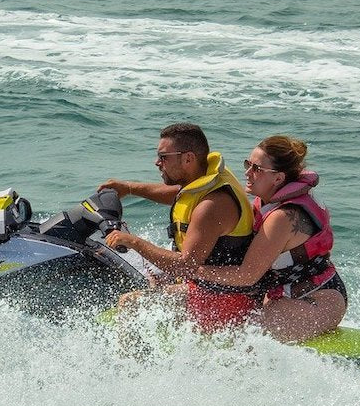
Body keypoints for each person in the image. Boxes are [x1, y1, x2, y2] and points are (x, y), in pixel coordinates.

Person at [107, 134, 346, 343]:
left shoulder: (283, 218)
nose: (247, 173)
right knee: (136, 303)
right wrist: (129, 188)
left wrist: (189, 269)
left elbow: (246, 275)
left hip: (316, 299)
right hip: (273, 293)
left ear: (279, 178)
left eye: (257, 169)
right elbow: (189, 196)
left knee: (244, 337)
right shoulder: (263, 198)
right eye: (247, 164)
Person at [98, 122, 257, 332]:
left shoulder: (212, 206)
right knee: (150, 279)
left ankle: (133, 365)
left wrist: (133, 241)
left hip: (223, 300)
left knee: (130, 304)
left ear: (188, 158)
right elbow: (179, 194)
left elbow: (185, 265)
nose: (157, 163)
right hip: (203, 285)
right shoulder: (206, 178)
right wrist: (128, 188)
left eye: (164, 157)